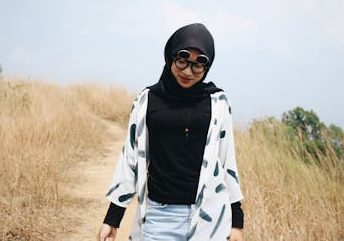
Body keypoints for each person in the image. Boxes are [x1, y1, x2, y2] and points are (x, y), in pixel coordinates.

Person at [98, 23, 244, 241]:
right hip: (159, 217)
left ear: (208, 66)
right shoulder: (147, 100)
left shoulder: (218, 103)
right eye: (182, 60)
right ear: (170, 56)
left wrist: (236, 221)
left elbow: (227, 162)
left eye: (198, 65)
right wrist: (113, 218)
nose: (187, 71)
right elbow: (130, 158)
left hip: (209, 218)